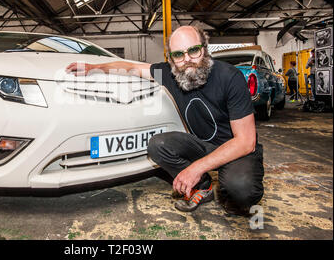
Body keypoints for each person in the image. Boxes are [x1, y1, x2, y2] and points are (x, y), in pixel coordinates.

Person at [66, 26, 264, 216]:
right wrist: (95, 67)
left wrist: (196, 167)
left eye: (193, 51)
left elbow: (245, 141)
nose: (187, 60)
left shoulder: (229, 77)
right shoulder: (170, 74)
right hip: (203, 146)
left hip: (237, 150)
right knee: (157, 145)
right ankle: (203, 188)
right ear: (171, 59)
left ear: (204, 49)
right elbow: (131, 67)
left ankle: (228, 180)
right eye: (178, 55)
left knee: (241, 191)